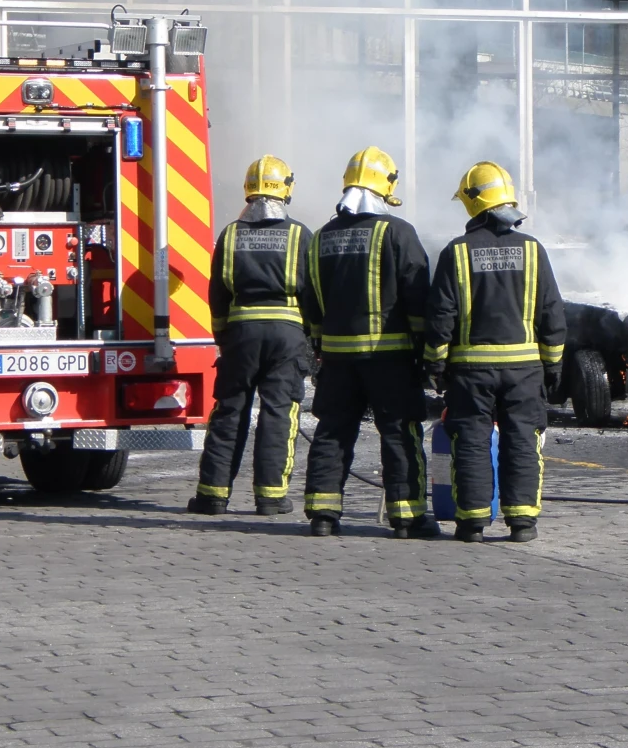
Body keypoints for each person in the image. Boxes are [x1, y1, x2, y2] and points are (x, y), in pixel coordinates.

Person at [422, 162, 565, 544]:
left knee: (470, 440)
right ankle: (522, 522)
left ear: (471, 203)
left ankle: (471, 522)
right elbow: (552, 312)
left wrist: (436, 363)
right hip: (524, 370)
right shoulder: (533, 250)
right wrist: (552, 364)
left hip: (471, 370)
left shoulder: (456, 252)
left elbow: (441, 316)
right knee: (522, 439)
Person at [301, 147, 438, 539]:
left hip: (338, 360)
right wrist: (423, 350)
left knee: (332, 431)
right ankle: (408, 517)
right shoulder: (397, 232)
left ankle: (323, 515)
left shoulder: (322, 237)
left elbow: (310, 299)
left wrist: (319, 346)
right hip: (390, 358)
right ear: (385, 187)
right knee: (399, 432)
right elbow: (417, 297)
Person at [189, 155, 312, 515]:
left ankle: (212, 495)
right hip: (287, 335)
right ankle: (271, 497)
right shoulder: (300, 235)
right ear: (286, 190)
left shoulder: (230, 234)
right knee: (279, 413)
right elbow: (312, 291)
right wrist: (312, 340)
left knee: (230, 410)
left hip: (241, 334)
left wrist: (222, 336)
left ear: (249, 190)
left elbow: (218, 293)